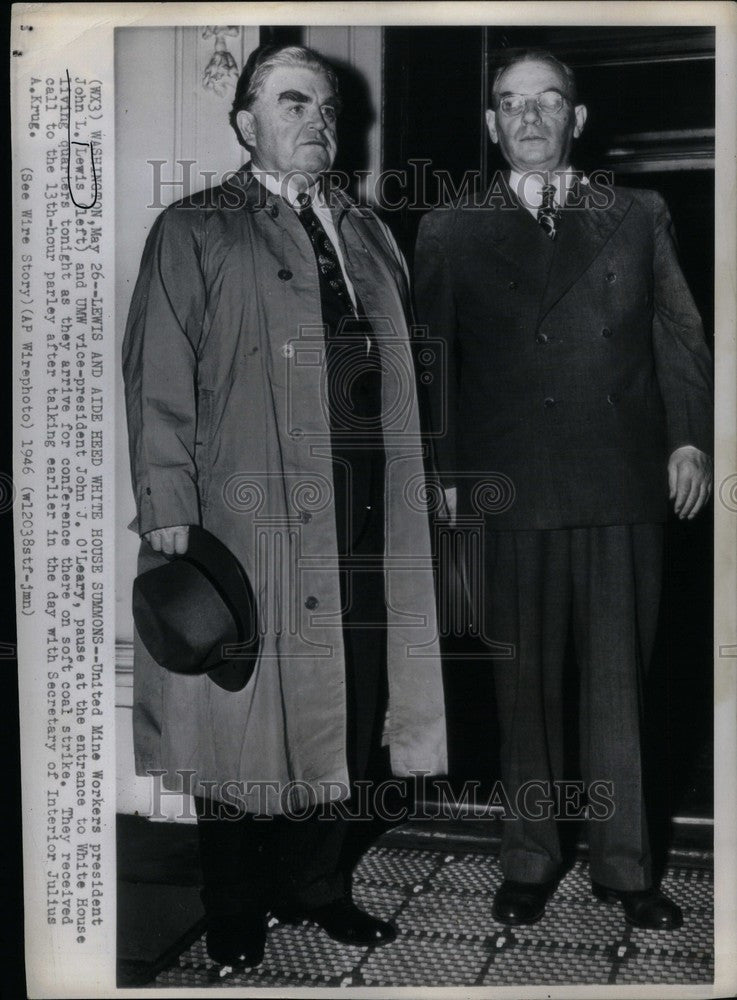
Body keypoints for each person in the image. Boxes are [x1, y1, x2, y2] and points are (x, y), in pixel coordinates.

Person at [122, 43, 446, 967]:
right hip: (246, 511)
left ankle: (317, 886)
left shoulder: (369, 231)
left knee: (346, 705)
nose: (318, 123)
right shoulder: (195, 228)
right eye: (294, 102)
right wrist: (167, 505)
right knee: (239, 715)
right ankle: (231, 908)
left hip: (366, 507)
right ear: (244, 123)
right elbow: (156, 379)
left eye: (330, 109)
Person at [414, 49, 713, 931]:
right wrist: (446, 476)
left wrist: (688, 438)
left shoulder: (635, 212)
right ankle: (529, 856)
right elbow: (431, 366)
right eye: (512, 104)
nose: (531, 119)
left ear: (577, 120)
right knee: (524, 685)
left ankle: (627, 869)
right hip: (509, 485)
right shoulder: (450, 226)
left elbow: (677, 334)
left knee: (621, 683)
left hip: (619, 477)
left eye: (549, 102)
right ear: (492, 124)